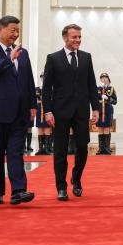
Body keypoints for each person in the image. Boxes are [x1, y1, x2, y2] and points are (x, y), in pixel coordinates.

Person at [0, 15, 37, 205]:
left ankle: (18, 191)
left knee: (16, 152)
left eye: (17, 31)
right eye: (12, 30)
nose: (15, 34)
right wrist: (9, 59)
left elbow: (28, 80)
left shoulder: (23, 52)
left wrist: (32, 105)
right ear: (0, 29)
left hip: (20, 113)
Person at [42, 23, 100, 201]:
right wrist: (48, 111)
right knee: (59, 151)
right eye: (75, 37)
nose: (78, 40)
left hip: (81, 111)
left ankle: (76, 178)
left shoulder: (86, 57)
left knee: (82, 148)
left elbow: (91, 84)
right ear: (65, 38)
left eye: (79, 37)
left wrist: (95, 108)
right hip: (59, 112)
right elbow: (46, 88)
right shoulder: (53, 58)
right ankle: (61, 186)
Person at [96, 73, 117, 155]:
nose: (104, 79)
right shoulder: (98, 89)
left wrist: (108, 98)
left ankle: (107, 148)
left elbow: (115, 101)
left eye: (105, 77)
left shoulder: (111, 89)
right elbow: (94, 99)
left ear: (108, 79)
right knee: (100, 128)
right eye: (102, 78)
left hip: (108, 110)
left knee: (107, 128)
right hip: (100, 110)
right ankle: (101, 149)